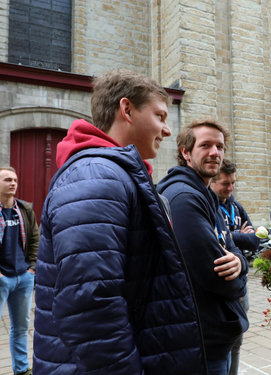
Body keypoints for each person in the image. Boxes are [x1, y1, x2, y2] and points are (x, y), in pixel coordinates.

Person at [33, 69, 206, 375]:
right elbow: (89, 305)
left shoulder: (114, 173)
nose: (167, 130)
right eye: (160, 116)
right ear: (126, 109)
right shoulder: (96, 174)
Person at [156, 120, 249, 375]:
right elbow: (213, 272)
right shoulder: (184, 198)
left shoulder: (206, 194)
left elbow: (230, 244)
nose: (215, 152)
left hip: (215, 336)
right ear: (186, 152)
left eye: (220, 146)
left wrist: (240, 263)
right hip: (199, 340)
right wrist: (242, 280)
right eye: (205, 145)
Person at [210, 158, 258, 375]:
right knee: (224, 342)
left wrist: (232, 237)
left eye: (233, 183)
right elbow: (218, 244)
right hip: (224, 284)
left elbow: (256, 238)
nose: (229, 188)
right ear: (213, 182)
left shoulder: (236, 207)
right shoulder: (210, 207)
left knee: (238, 338)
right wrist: (239, 236)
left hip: (243, 281)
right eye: (225, 183)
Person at [0, 167, 38, 375]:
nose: (13, 183)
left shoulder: (24, 209)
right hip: (2, 278)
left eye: (15, 179)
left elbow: (35, 239)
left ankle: (22, 370)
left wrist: (32, 268)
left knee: (21, 328)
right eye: (7, 180)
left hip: (23, 277)